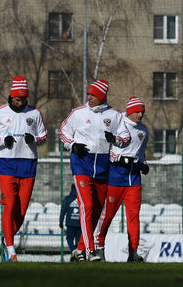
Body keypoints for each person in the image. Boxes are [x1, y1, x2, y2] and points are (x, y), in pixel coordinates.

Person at [0, 76, 47, 262]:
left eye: (23, 99)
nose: (20, 102)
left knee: (21, 211)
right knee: (9, 206)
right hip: (6, 163)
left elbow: (43, 135)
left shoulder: (35, 113)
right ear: (11, 96)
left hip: (28, 164)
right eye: (17, 99)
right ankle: (11, 250)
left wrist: (34, 139)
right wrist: (2, 140)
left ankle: (6, 239)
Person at [58, 78, 121, 261]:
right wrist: (72, 145)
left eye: (93, 94)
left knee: (97, 209)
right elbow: (63, 131)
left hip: (103, 167)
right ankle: (90, 250)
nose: (89, 97)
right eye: (88, 94)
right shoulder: (78, 113)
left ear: (102, 96)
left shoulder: (115, 116)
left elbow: (124, 138)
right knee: (87, 205)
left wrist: (115, 139)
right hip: (81, 164)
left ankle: (79, 249)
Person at [93, 96, 149, 262]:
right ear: (130, 111)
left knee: (134, 216)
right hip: (116, 176)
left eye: (142, 111)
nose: (140, 114)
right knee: (108, 215)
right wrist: (120, 158)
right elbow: (108, 147)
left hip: (133, 179)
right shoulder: (118, 124)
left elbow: (141, 153)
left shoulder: (143, 131)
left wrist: (144, 164)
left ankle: (133, 252)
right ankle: (99, 247)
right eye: (137, 111)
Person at [60, 184, 81, 258]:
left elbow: (63, 211)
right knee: (79, 240)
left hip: (70, 223)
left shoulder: (67, 199)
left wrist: (60, 221)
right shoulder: (82, 198)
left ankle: (73, 251)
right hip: (80, 223)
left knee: (69, 238)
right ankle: (76, 253)